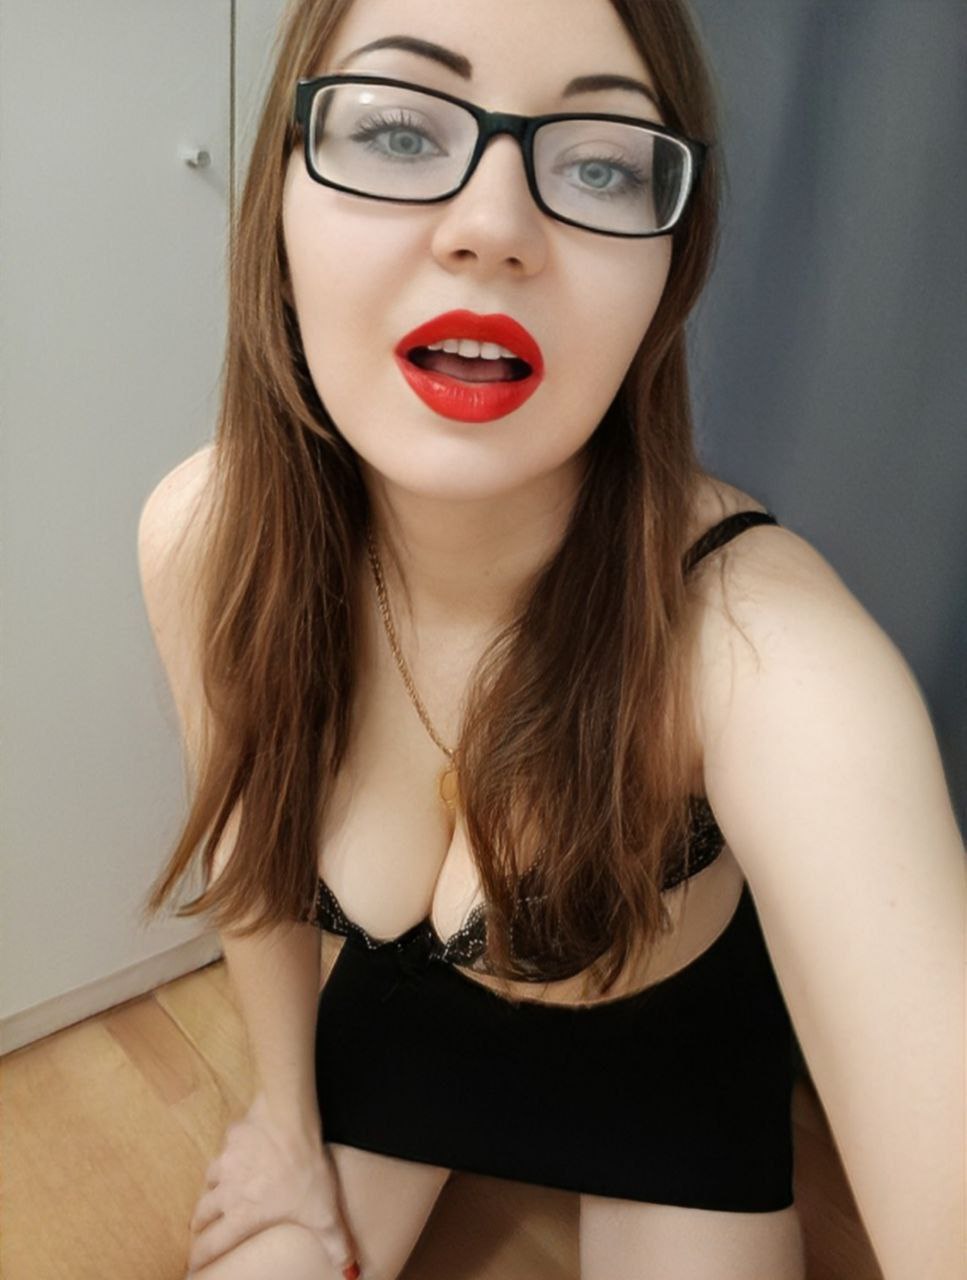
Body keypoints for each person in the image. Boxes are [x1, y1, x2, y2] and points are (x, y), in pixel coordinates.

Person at [137, 1, 966, 1278]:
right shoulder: (207, 535)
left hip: (670, 1080)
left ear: (668, 270)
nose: (492, 226)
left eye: (599, 164)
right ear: (278, 202)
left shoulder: (758, 645)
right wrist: (285, 1120)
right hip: (395, 1053)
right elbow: (252, 856)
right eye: (400, 130)